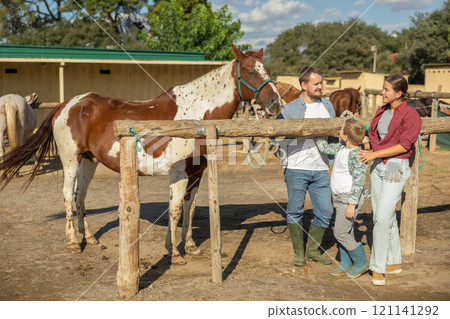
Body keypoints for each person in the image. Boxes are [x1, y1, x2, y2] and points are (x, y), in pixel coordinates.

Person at [358, 74, 422, 286]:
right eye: (382, 89)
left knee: (383, 217)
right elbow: (376, 137)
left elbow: (404, 146)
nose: (382, 92)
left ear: (399, 93)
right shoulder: (382, 111)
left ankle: (378, 267)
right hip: (376, 166)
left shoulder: (411, 116)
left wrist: (374, 155)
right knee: (381, 214)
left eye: (386, 90)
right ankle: (394, 261)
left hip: (395, 166)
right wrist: (367, 145)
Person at [276, 66, 335, 266]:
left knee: (326, 210)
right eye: (316, 83)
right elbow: (275, 132)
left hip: (320, 167)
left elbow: (334, 133)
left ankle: (312, 250)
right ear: (304, 85)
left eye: (321, 82)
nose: (320, 86)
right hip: (296, 166)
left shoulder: (328, 106)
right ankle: (299, 253)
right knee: (295, 209)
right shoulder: (290, 108)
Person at [315, 119, 370, 278]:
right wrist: (315, 133)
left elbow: (359, 182)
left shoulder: (357, 155)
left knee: (340, 233)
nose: (338, 130)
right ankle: (346, 263)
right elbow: (324, 147)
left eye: (340, 129)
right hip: (340, 197)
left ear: (345, 136)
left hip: (349, 199)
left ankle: (361, 262)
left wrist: (352, 205)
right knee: (347, 231)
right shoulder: (340, 148)